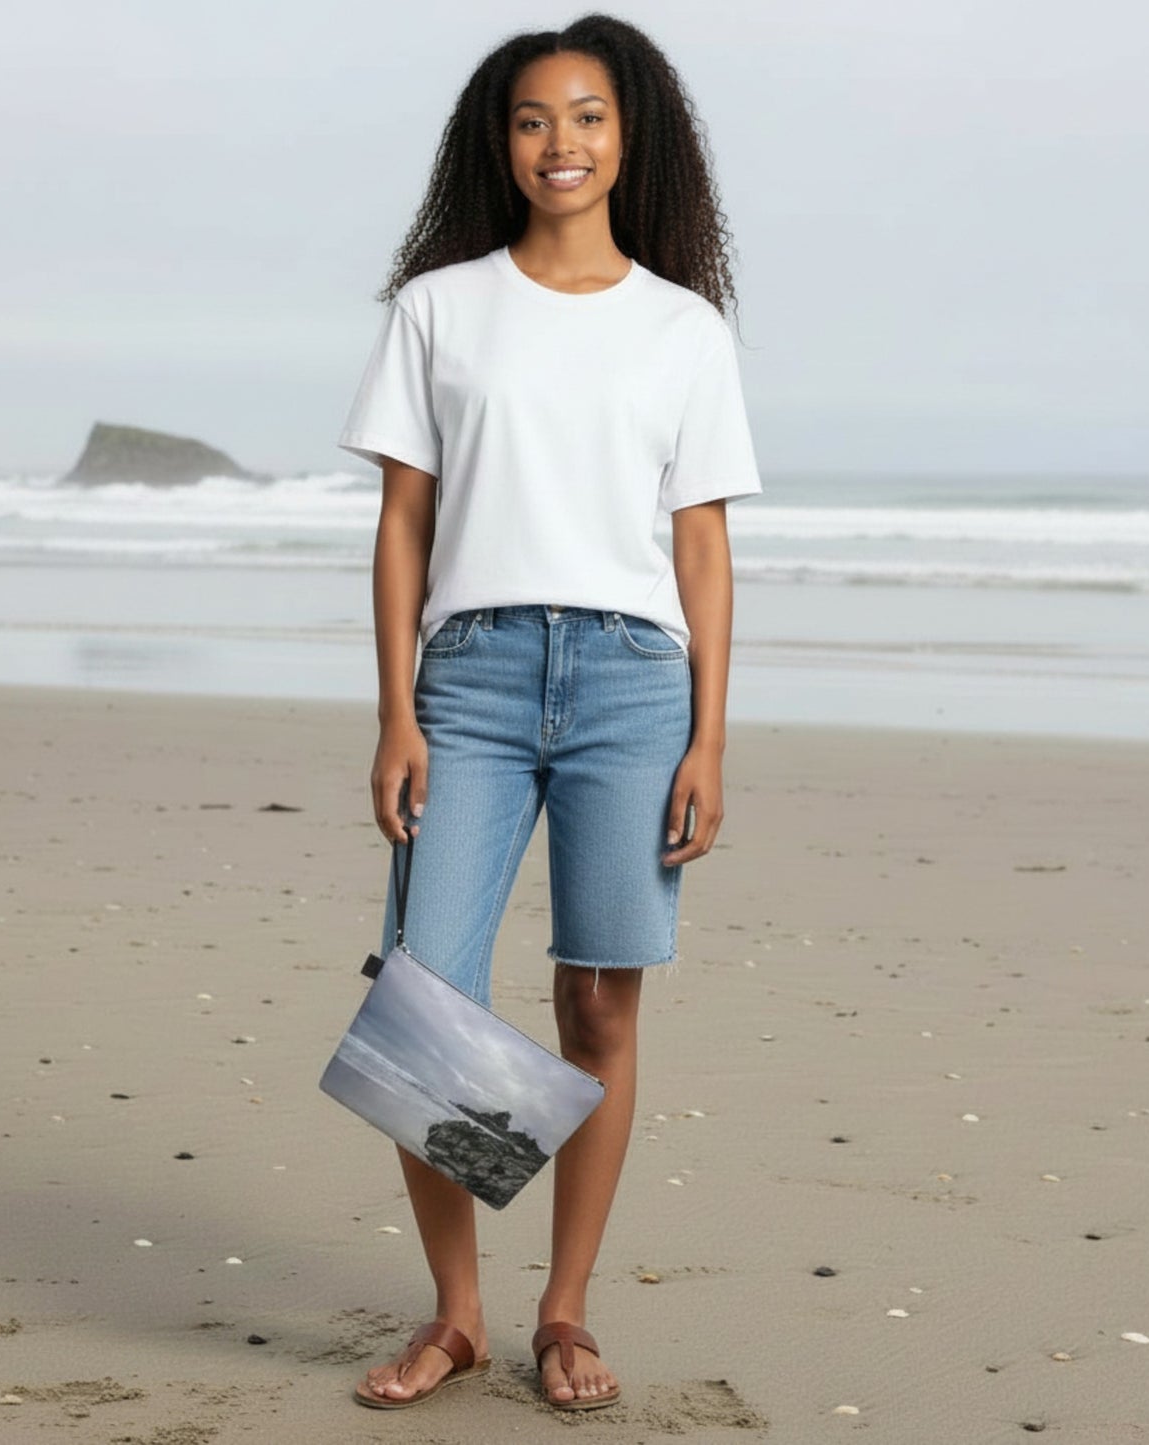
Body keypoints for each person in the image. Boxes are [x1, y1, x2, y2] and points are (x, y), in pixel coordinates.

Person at [336, 12, 761, 1414]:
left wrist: (706, 733)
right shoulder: (439, 309)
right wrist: (395, 710)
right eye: (531, 118)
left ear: (628, 137)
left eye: (585, 116)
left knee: (596, 1003)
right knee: (424, 1002)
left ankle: (561, 1308)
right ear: (499, 143)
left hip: (635, 682)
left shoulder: (681, 326)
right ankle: (455, 1314)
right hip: (469, 675)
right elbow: (404, 525)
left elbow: (700, 545)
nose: (559, 142)